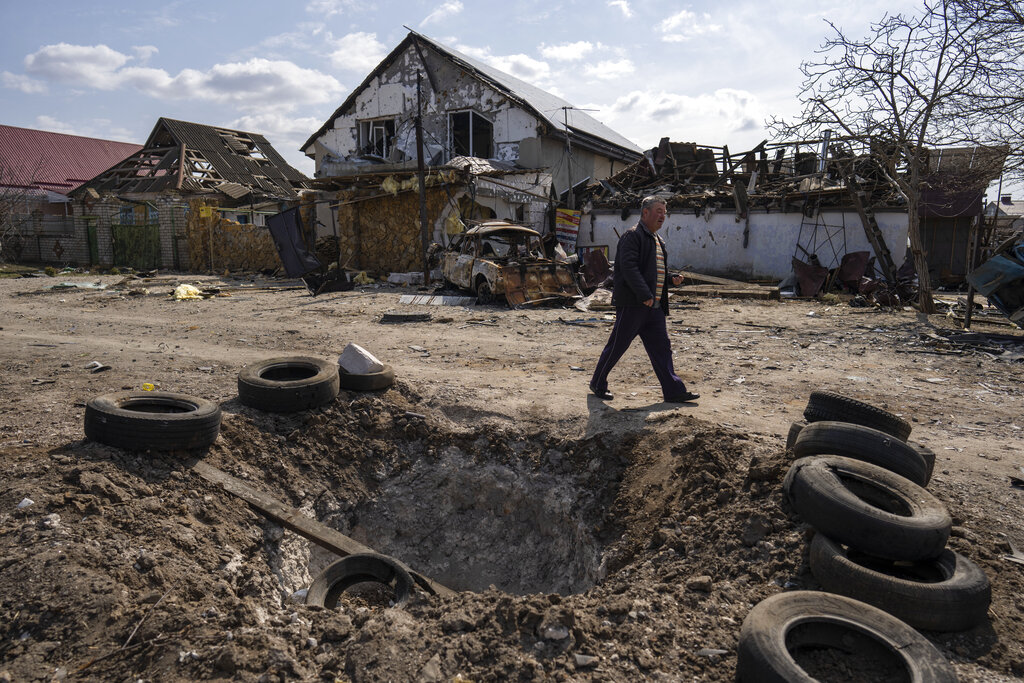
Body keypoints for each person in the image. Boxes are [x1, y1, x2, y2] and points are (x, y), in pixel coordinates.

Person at [589, 196, 699, 403]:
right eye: (658, 211)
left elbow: (652, 272)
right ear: (645, 213)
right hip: (634, 304)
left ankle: (673, 391)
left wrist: (670, 278)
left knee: (662, 348)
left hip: (653, 307)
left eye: (664, 212)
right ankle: (598, 382)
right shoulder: (632, 236)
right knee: (618, 345)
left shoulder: (658, 240)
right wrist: (644, 294)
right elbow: (629, 268)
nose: (662, 216)